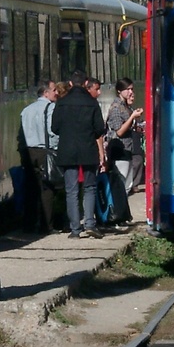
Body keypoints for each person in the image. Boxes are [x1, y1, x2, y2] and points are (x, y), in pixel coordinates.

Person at [50, 69, 107, 239]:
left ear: (70, 83)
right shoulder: (92, 103)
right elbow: (99, 129)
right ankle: (90, 223)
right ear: (85, 83)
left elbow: (55, 128)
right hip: (88, 150)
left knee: (71, 190)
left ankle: (75, 229)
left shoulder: (62, 102)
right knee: (89, 187)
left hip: (67, 151)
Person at [20, 80, 62, 234]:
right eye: (54, 90)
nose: (56, 93)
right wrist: (57, 148)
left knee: (31, 188)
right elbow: (53, 132)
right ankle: (46, 225)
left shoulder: (26, 110)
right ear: (46, 93)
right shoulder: (51, 108)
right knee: (47, 188)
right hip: (45, 150)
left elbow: (21, 134)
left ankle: (28, 224)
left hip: (29, 151)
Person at [105, 78, 144, 211]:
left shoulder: (126, 106)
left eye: (132, 89)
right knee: (120, 184)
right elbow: (119, 131)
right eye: (127, 89)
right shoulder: (116, 107)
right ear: (119, 91)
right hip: (119, 149)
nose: (130, 92)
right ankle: (116, 211)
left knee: (127, 184)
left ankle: (122, 212)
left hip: (128, 148)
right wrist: (132, 117)